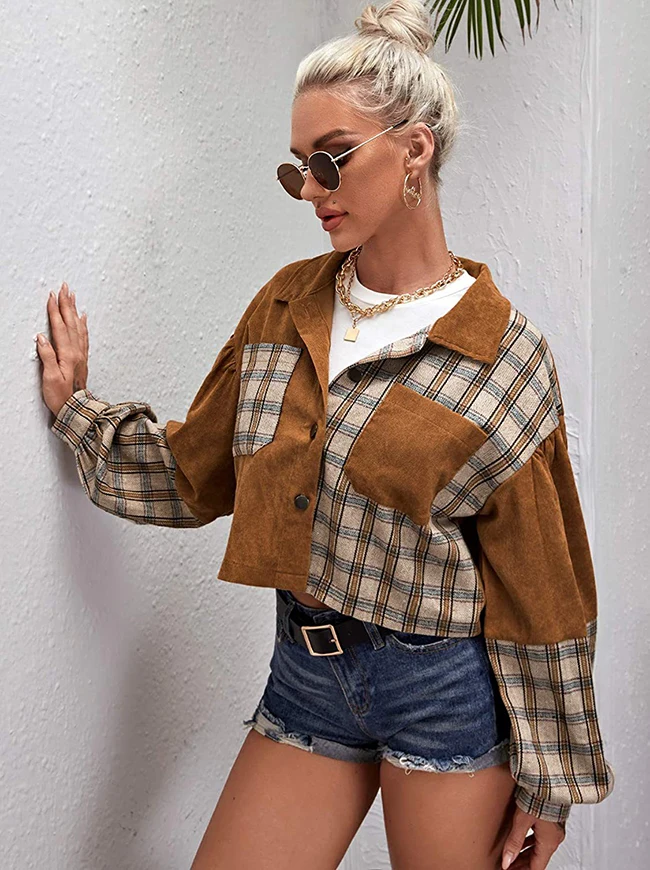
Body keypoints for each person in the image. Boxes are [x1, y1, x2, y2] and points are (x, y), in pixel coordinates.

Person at [36, 1, 615, 868]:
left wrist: (551, 783)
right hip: (307, 674)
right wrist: (78, 412)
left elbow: (545, 590)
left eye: (330, 159)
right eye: (297, 168)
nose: (310, 189)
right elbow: (196, 473)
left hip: (444, 691)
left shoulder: (504, 353)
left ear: (414, 149)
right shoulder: (286, 306)